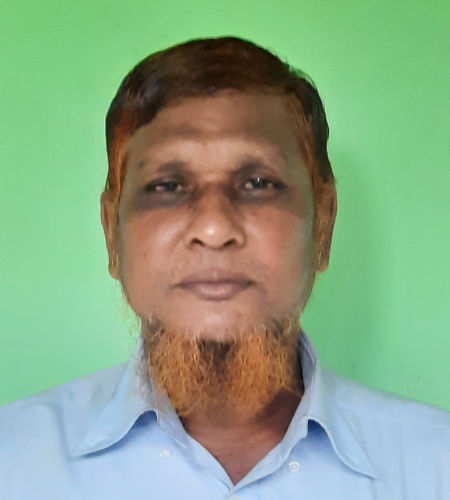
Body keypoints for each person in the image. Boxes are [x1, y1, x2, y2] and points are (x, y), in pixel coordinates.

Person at [0, 36, 449, 499]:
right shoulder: (13, 464)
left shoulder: (436, 468)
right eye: (167, 186)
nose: (214, 228)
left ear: (323, 225)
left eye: (258, 183)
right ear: (112, 233)